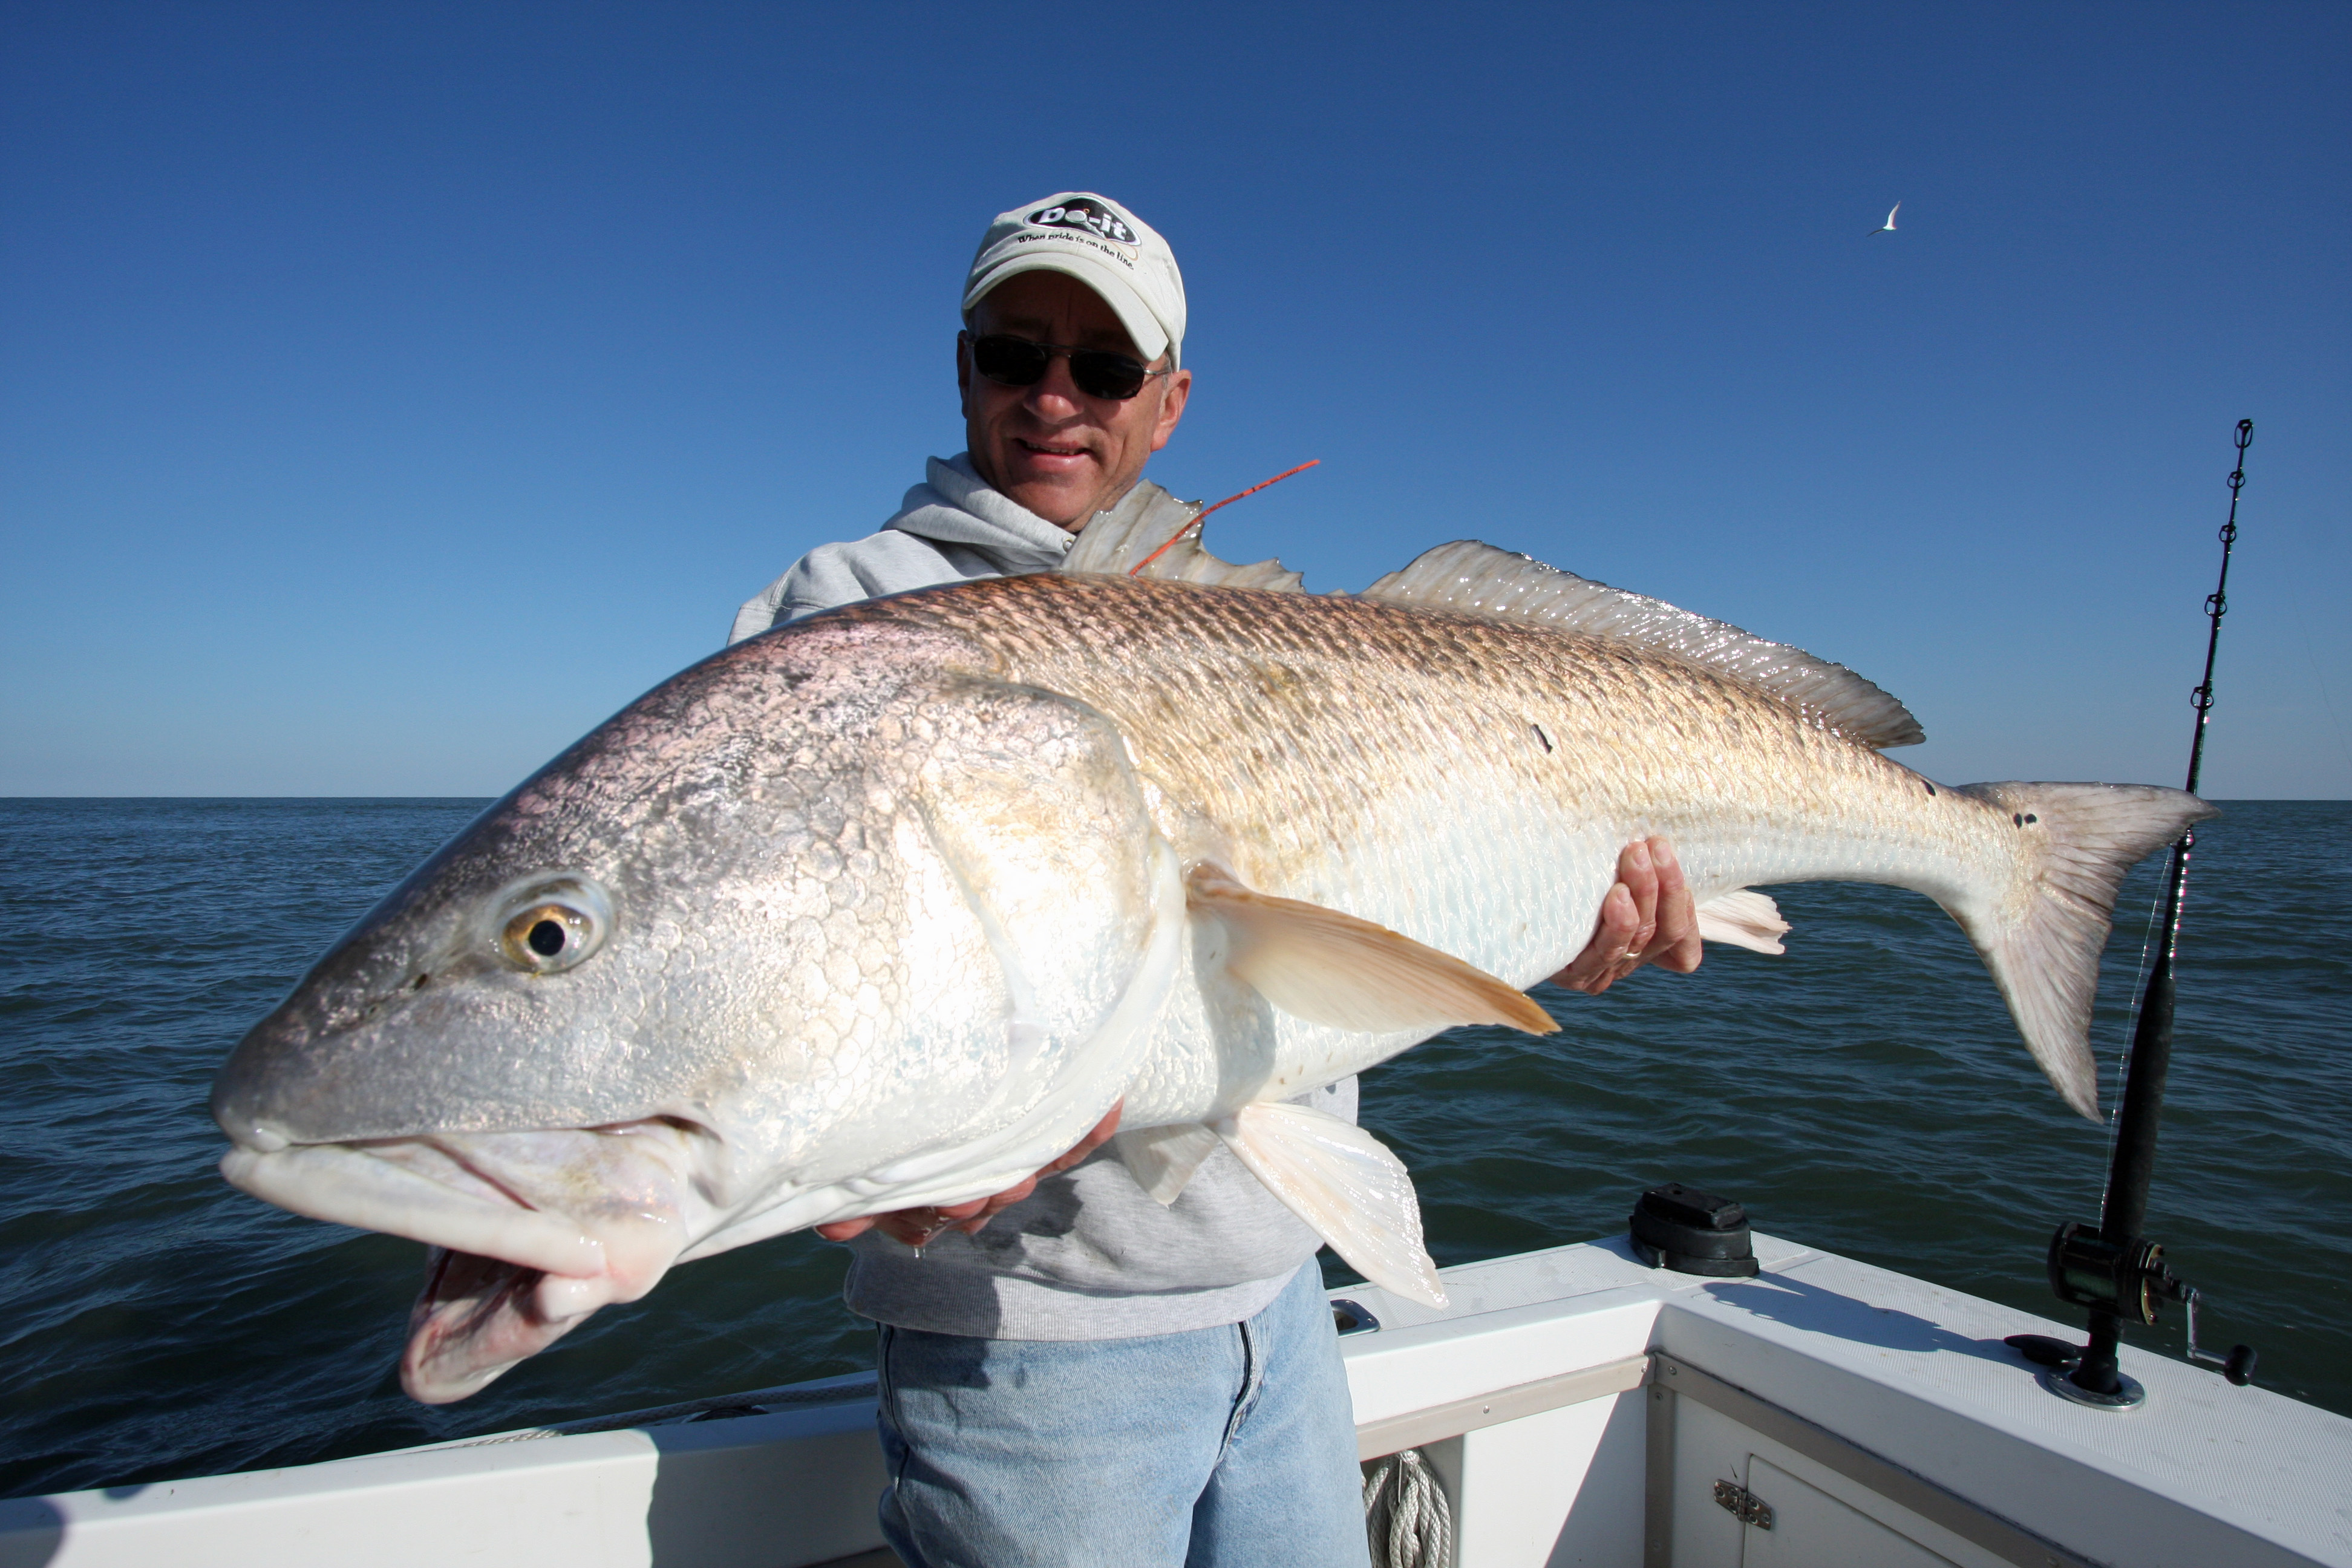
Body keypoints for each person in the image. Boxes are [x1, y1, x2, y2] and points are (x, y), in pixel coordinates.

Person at [728, 192, 1700, 1568]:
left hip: (1284, 1301)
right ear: (963, 370)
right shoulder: (850, 613)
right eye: (1016, 354)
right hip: (1030, 1348)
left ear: (1170, 402)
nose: (1056, 398)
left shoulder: (1271, 625)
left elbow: (1402, 892)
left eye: (1106, 368)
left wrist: (1558, 930)